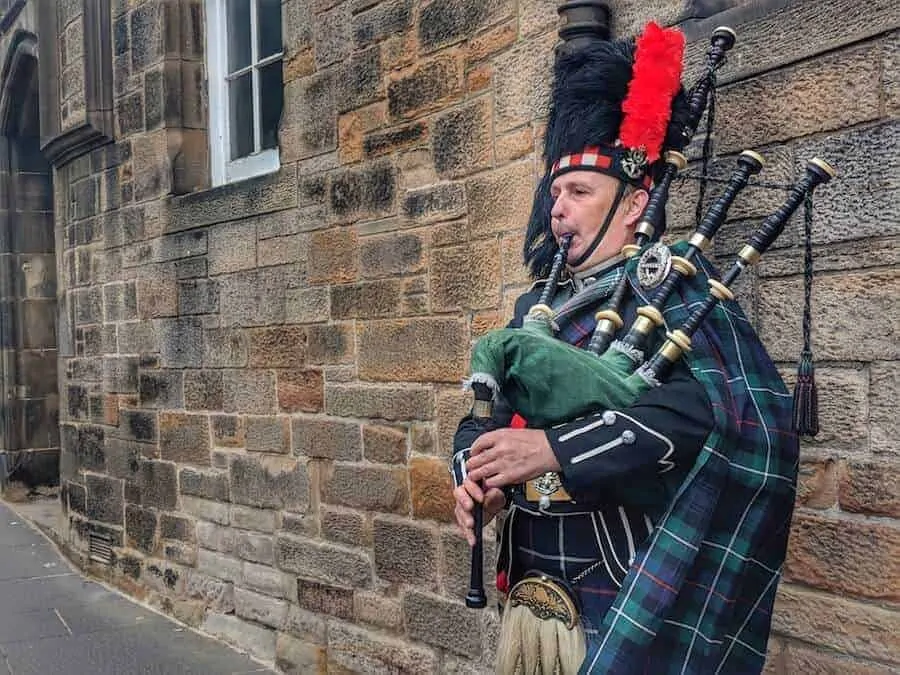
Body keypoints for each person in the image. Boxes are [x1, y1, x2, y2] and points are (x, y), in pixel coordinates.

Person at [450, 20, 799, 675]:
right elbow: (483, 414)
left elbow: (706, 417)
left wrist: (553, 448)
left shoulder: (676, 298)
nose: (558, 209)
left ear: (638, 202)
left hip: (624, 575)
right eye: (554, 193)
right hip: (528, 576)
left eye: (579, 192)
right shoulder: (535, 311)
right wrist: (472, 478)